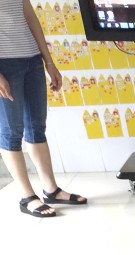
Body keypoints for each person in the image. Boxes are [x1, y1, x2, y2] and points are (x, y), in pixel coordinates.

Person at [1, 0, 87, 217]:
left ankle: (51, 190)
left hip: (32, 59)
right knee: (11, 133)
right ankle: (27, 197)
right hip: (4, 65)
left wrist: (49, 62)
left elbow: (30, 18)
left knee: (36, 127)